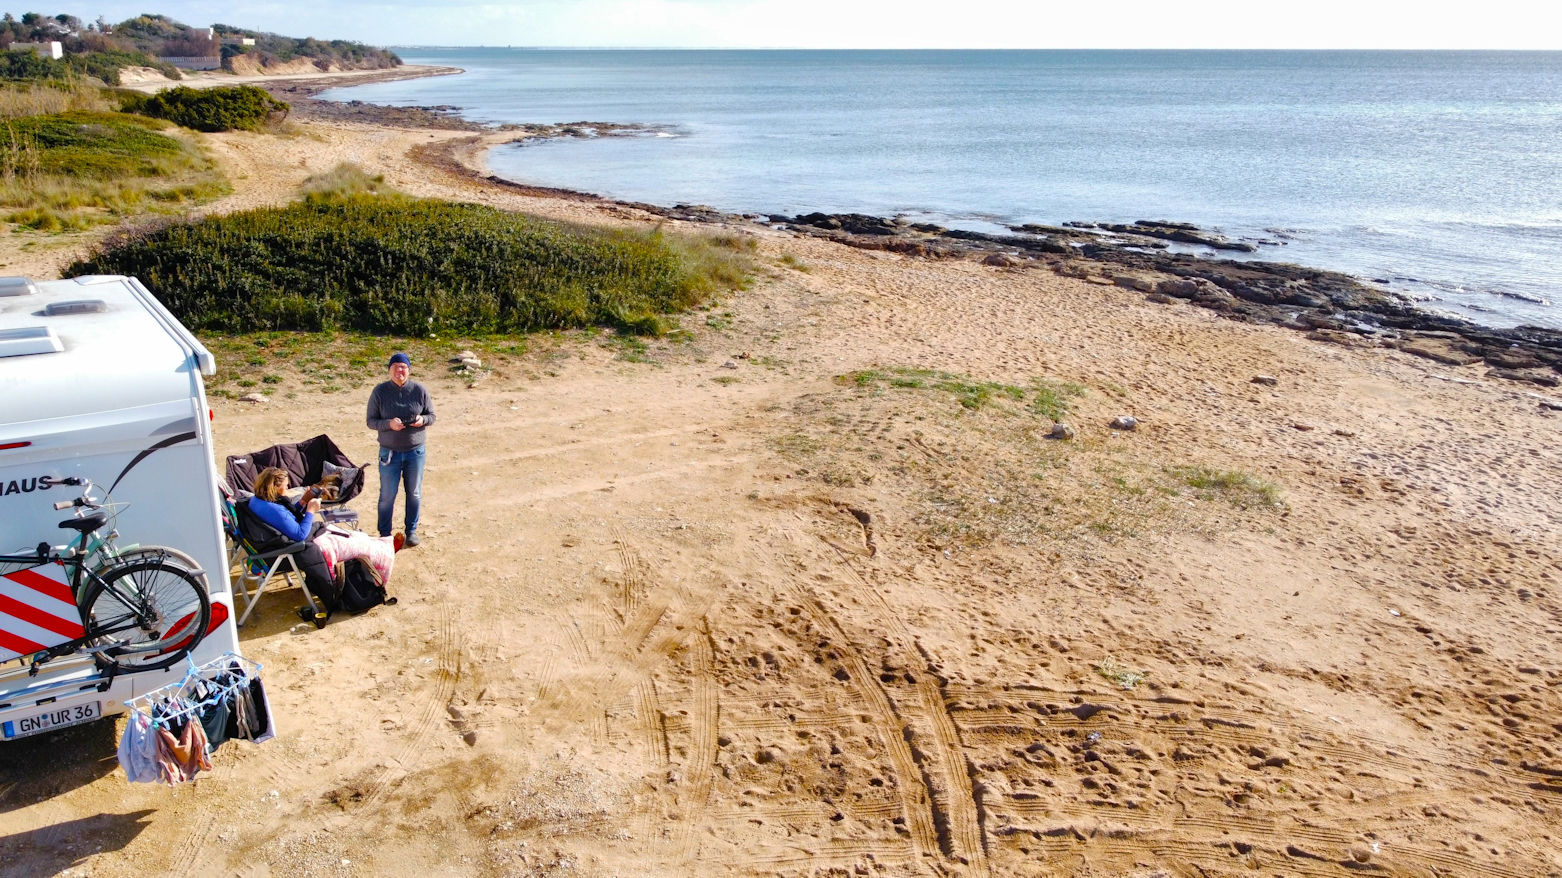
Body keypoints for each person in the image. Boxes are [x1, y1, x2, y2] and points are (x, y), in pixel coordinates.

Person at [247, 467, 401, 623]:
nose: (287, 487)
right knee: (352, 542)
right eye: (285, 485)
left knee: (351, 536)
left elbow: (286, 521)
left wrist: (303, 502)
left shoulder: (258, 501)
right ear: (274, 486)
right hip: (297, 548)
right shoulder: (273, 509)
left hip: (293, 542)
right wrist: (311, 510)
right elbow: (300, 534)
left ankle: (381, 545)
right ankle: (385, 550)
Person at [366, 351, 435, 547]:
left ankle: (411, 531)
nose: (399, 371)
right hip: (389, 453)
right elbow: (371, 421)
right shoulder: (379, 392)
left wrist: (423, 420)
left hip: (415, 452)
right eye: (395, 367)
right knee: (387, 496)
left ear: (409, 370)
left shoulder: (419, 390)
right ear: (389, 371)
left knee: (414, 493)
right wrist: (389, 424)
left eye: (403, 367)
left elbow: (432, 416)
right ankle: (385, 534)